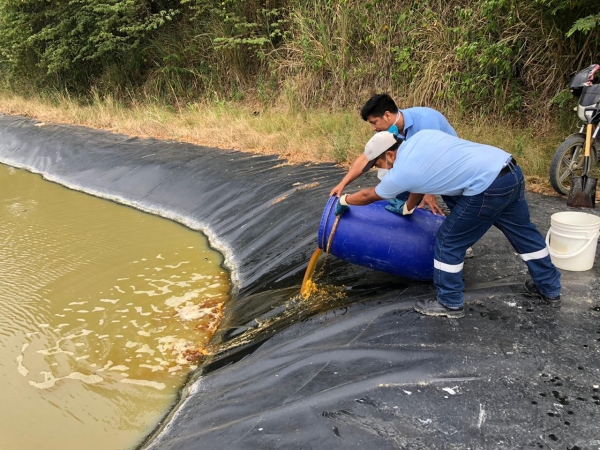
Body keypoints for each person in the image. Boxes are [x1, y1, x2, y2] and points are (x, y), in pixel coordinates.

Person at [336, 130, 562, 318]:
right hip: (509, 170)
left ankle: (450, 302)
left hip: (486, 188)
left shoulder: (401, 171)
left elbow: (368, 196)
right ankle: (549, 287)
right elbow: (423, 180)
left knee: (448, 240)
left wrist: (345, 200)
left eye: (378, 164)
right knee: (524, 233)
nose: (380, 168)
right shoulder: (420, 138)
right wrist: (408, 207)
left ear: (391, 155)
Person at [329, 93, 457, 216]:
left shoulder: (426, 121)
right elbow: (366, 157)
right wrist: (342, 184)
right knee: (398, 199)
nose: (373, 128)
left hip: (450, 165)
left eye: (374, 122)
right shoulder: (388, 132)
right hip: (417, 169)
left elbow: (432, 162)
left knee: (457, 203)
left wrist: (428, 192)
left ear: (387, 115)